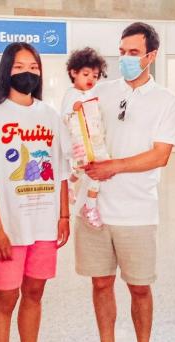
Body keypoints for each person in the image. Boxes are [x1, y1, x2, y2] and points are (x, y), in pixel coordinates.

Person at [74, 22, 175, 342]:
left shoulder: (166, 100)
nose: (126, 58)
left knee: (139, 288)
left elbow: (160, 155)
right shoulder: (101, 92)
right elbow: (85, 133)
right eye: (121, 52)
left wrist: (114, 166)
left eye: (133, 53)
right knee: (101, 283)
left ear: (151, 55)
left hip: (137, 211)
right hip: (95, 209)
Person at [0, 42, 70, 342]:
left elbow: (61, 173)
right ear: (6, 71)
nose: (27, 73)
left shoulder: (51, 116)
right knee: (5, 299)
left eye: (33, 67)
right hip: (8, 227)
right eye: (19, 67)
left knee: (34, 293)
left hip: (43, 225)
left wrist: (64, 216)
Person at [60, 47, 109, 227]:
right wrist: (76, 107)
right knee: (98, 172)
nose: (91, 79)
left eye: (95, 76)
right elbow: (66, 115)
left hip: (87, 143)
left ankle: (71, 186)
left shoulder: (89, 94)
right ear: (74, 72)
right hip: (81, 145)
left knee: (81, 170)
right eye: (86, 74)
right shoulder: (72, 95)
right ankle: (89, 206)